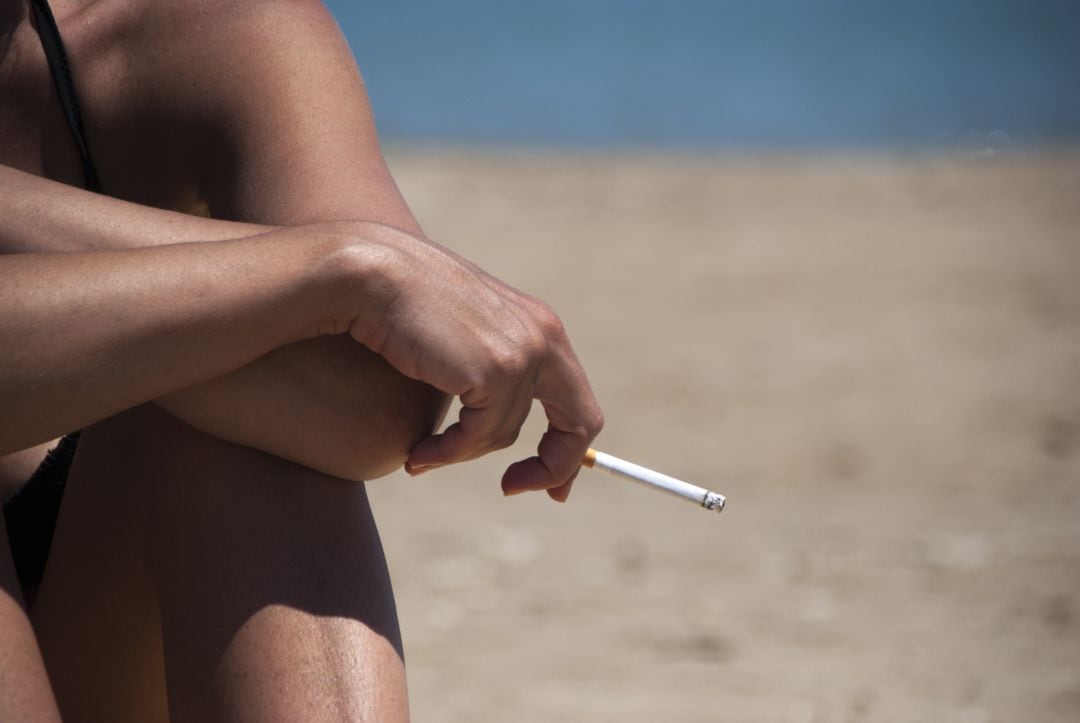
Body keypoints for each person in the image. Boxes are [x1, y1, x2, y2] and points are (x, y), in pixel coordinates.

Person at [0, 1, 604, 721]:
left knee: (256, 403)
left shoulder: (195, 27)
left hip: (96, 622)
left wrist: (350, 274)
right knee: (253, 334)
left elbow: (378, 402)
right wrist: (323, 279)